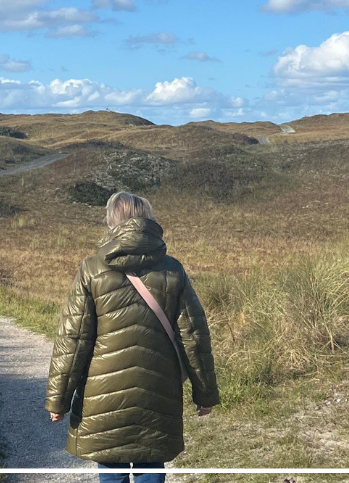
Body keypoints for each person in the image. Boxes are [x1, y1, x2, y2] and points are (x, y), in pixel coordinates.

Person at [46, 191, 219, 483]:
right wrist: (205, 393)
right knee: (151, 462)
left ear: (111, 223)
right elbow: (194, 336)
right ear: (148, 220)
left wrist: (58, 399)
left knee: (111, 462)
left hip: (103, 389)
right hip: (158, 386)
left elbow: (73, 341)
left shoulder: (92, 269)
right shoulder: (172, 269)